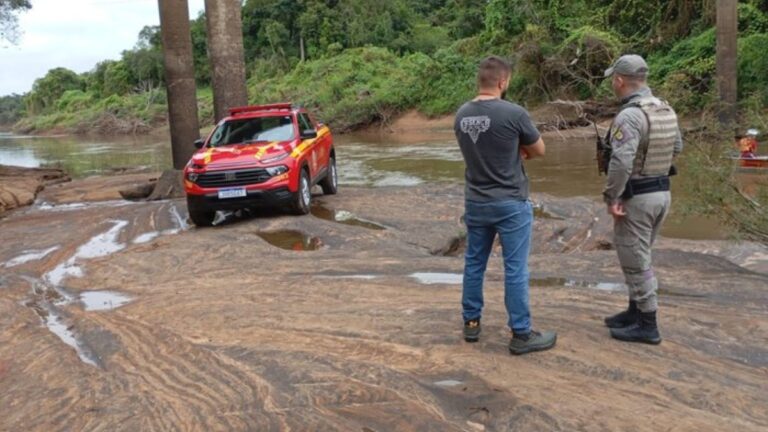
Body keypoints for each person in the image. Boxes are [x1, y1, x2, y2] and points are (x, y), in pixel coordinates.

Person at [455, 55, 556, 355]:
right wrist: (518, 148)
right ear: (502, 81)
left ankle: (471, 324)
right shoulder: (514, 113)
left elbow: (478, 149)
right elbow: (539, 150)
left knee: (474, 263)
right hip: (510, 201)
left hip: (476, 201)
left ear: (480, 81)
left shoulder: (461, 114)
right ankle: (521, 333)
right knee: (515, 269)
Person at [601, 54, 683, 345]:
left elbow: (621, 161)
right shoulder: (665, 109)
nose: (613, 83)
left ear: (620, 80)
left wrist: (613, 195)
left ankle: (648, 324)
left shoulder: (630, 115)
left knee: (636, 261)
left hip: (638, 196)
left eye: (614, 79)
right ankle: (634, 312)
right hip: (662, 193)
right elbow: (677, 147)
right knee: (639, 255)